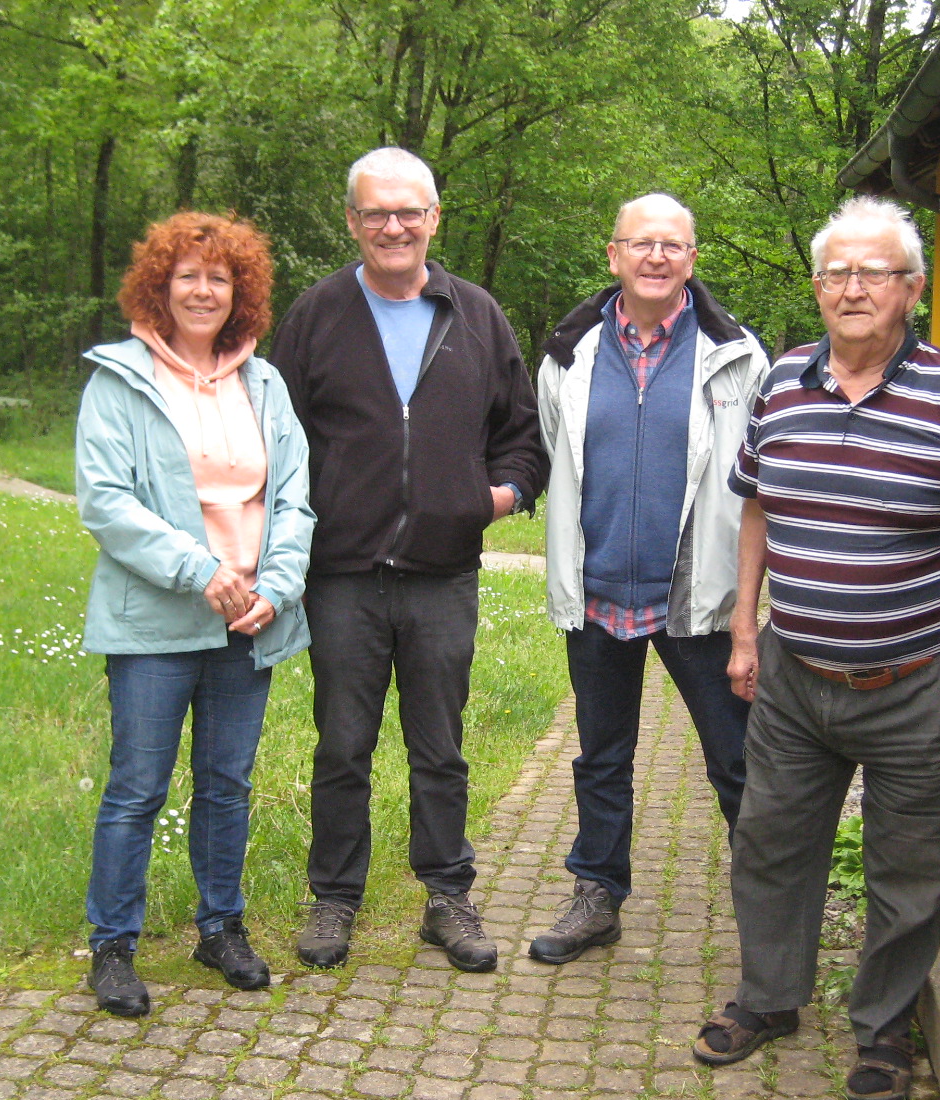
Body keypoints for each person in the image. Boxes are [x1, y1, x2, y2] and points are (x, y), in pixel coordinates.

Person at [696, 196, 940, 1100]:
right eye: (836, 273)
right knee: (769, 842)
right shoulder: (778, 387)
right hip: (795, 678)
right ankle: (769, 999)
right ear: (817, 288)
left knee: (911, 863)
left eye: (874, 273)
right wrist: (744, 631)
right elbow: (757, 507)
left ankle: (884, 1026)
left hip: (925, 682)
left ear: (912, 289)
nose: (853, 289)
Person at [271, 147, 548, 973]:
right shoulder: (317, 315)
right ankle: (334, 900)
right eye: (375, 213)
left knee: (441, 746)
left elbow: (523, 441)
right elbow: (277, 442)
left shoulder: (477, 315)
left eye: (409, 211)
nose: (393, 226)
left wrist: (486, 501)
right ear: (351, 222)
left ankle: (447, 897)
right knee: (342, 744)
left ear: (434, 218)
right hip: (342, 578)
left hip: (441, 576)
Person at [75, 211, 315, 1016]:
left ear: (239, 290)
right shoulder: (119, 377)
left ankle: (221, 929)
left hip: (249, 620)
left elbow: (293, 500)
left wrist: (275, 586)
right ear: (160, 287)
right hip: (154, 623)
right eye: (187, 275)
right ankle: (112, 946)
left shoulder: (267, 383)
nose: (204, 289)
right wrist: (199, 570)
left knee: (226, 785)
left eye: (219, 277)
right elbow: (104, 502)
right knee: (137, 787)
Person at [529, 194, 768, 963]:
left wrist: (751, 608)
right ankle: (596, 896)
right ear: (614, 257)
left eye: (672, 244)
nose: (656, 256)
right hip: (599, 594)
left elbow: (762, 484)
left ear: (693, 260)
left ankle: (769, 909)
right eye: (641, 243)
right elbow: (555, 457)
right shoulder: (568, 353)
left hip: (698, 596)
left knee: (735, 760)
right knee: (601, 756)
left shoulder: (738, 356)